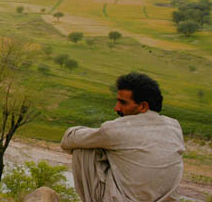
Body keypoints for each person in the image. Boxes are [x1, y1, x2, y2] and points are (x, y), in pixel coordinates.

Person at [61, 72, 185, 202]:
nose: (116, 108)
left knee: (84, 149)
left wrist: (97, 138)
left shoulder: (115, 130)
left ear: (143, 106)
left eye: (123, 103)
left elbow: (68, 140)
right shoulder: (174, 126)